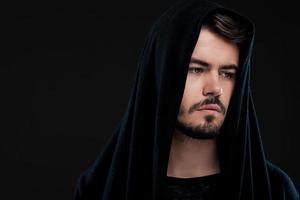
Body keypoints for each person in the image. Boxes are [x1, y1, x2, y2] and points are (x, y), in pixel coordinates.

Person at [74, 0, 299, 199]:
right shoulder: (101, 188)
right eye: (196, 70)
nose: (215, 89)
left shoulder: (274, 190)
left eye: (227, 74)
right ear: (162, 74)